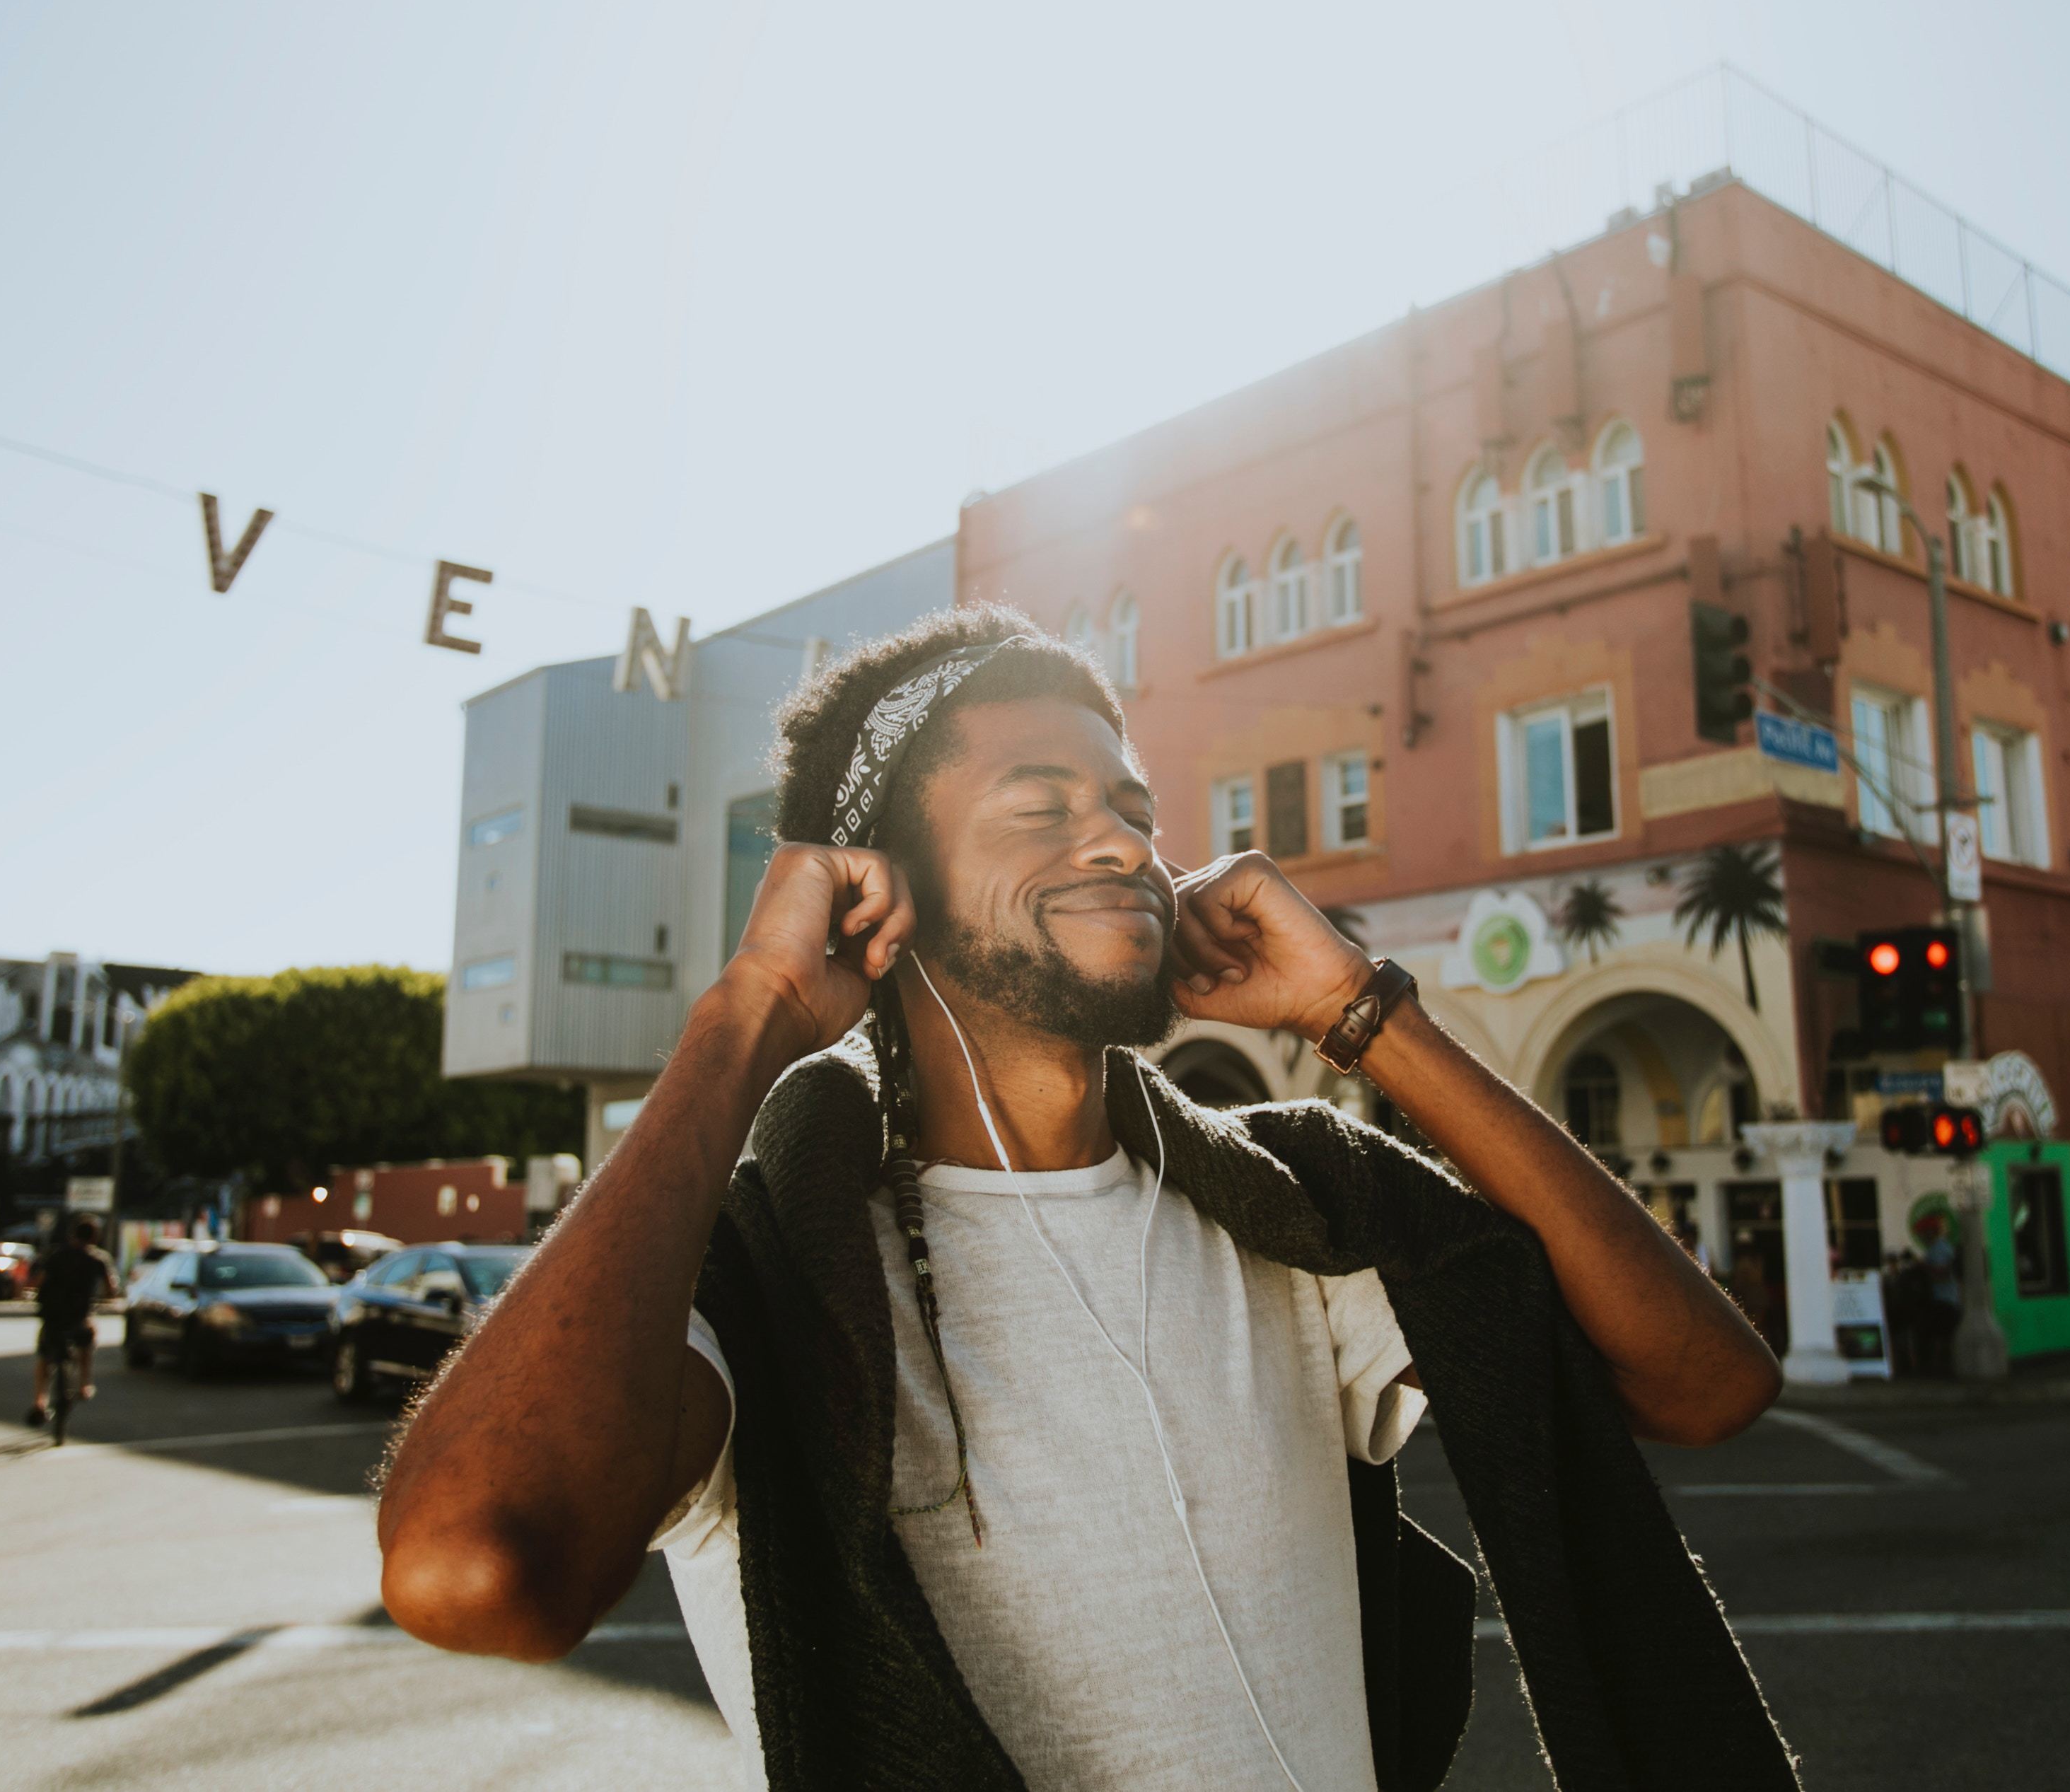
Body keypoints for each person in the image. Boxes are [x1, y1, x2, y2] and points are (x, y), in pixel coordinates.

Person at [376, 607, 1797, 1790]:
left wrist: (1363, 1013)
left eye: (1132, 809)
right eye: (1041, 805)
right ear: (877, 886)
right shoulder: (765, 1286)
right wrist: (741, 1021)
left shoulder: (1291, 1212)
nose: (1120, 843)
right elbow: (471, 1568)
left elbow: (1703, 1381)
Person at [29, 1216, 119, 1426]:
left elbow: (37, 1281)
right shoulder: (97, 1258)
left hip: (52, 1316)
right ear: (95, 1237)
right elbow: (111, 1289)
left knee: (45, 1357)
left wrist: (31, 1292)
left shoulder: (56, 1254)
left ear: (72, 1234)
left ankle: (39, 1403)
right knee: (87, 1342)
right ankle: (84, 1384)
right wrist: (108, 1297)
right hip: (79, 1317)